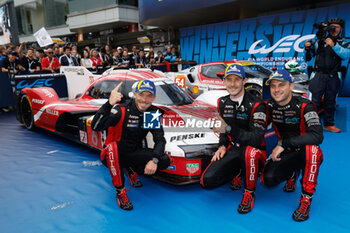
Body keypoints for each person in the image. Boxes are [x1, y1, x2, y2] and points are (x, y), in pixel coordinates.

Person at [91, 80, 170, 210]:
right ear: (135, 94)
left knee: (165, 160)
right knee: (113, 148)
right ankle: (120, 191)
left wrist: (154, 160)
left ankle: (129, 169)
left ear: (154, 98)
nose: (144, 100)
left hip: (132, 154)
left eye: (149, 96)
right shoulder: (121, 110)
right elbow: (95, 126)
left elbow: (160, 140)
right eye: (141, 95)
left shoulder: (151, 114)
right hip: (111, 155)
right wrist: (109, 104)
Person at [201, 64, 267, 214]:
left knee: (249, 153)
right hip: (234, 148)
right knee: (207, 181)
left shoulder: (257, 104)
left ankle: (249, 193)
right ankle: (239, 171)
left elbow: (256, 139)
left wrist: (229, 130)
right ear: (224, 81)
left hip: (254, 150)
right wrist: (222, 146)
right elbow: (223, 128)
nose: (232, 84)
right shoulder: (222, 102)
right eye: (228, 80)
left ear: (244, 81)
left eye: (236, 80)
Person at [262, 70, 324, 222]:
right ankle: (292, 173)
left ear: (291, 86)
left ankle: (306, 199)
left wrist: (284, 143)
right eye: (273, 86)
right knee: (267, 180)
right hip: (287, 152)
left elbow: (317, 136)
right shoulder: (268, 105)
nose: (276, 89)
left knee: (313, 150)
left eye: (281, 85)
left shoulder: (305, 105)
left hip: (306, 152)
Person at [305, 17, 350, 133]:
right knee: (314, 102)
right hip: (318, 75)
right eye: (332, 26)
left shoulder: (344, 42)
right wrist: (307, 48)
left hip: (333, 76)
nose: (334, 29)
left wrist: (333, 45)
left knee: (330, 101)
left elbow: (346, 55)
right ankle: (311, 125)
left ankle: (329, 124)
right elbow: (309, 57)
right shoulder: (319, 41)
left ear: (341, 29)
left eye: (337, 27)